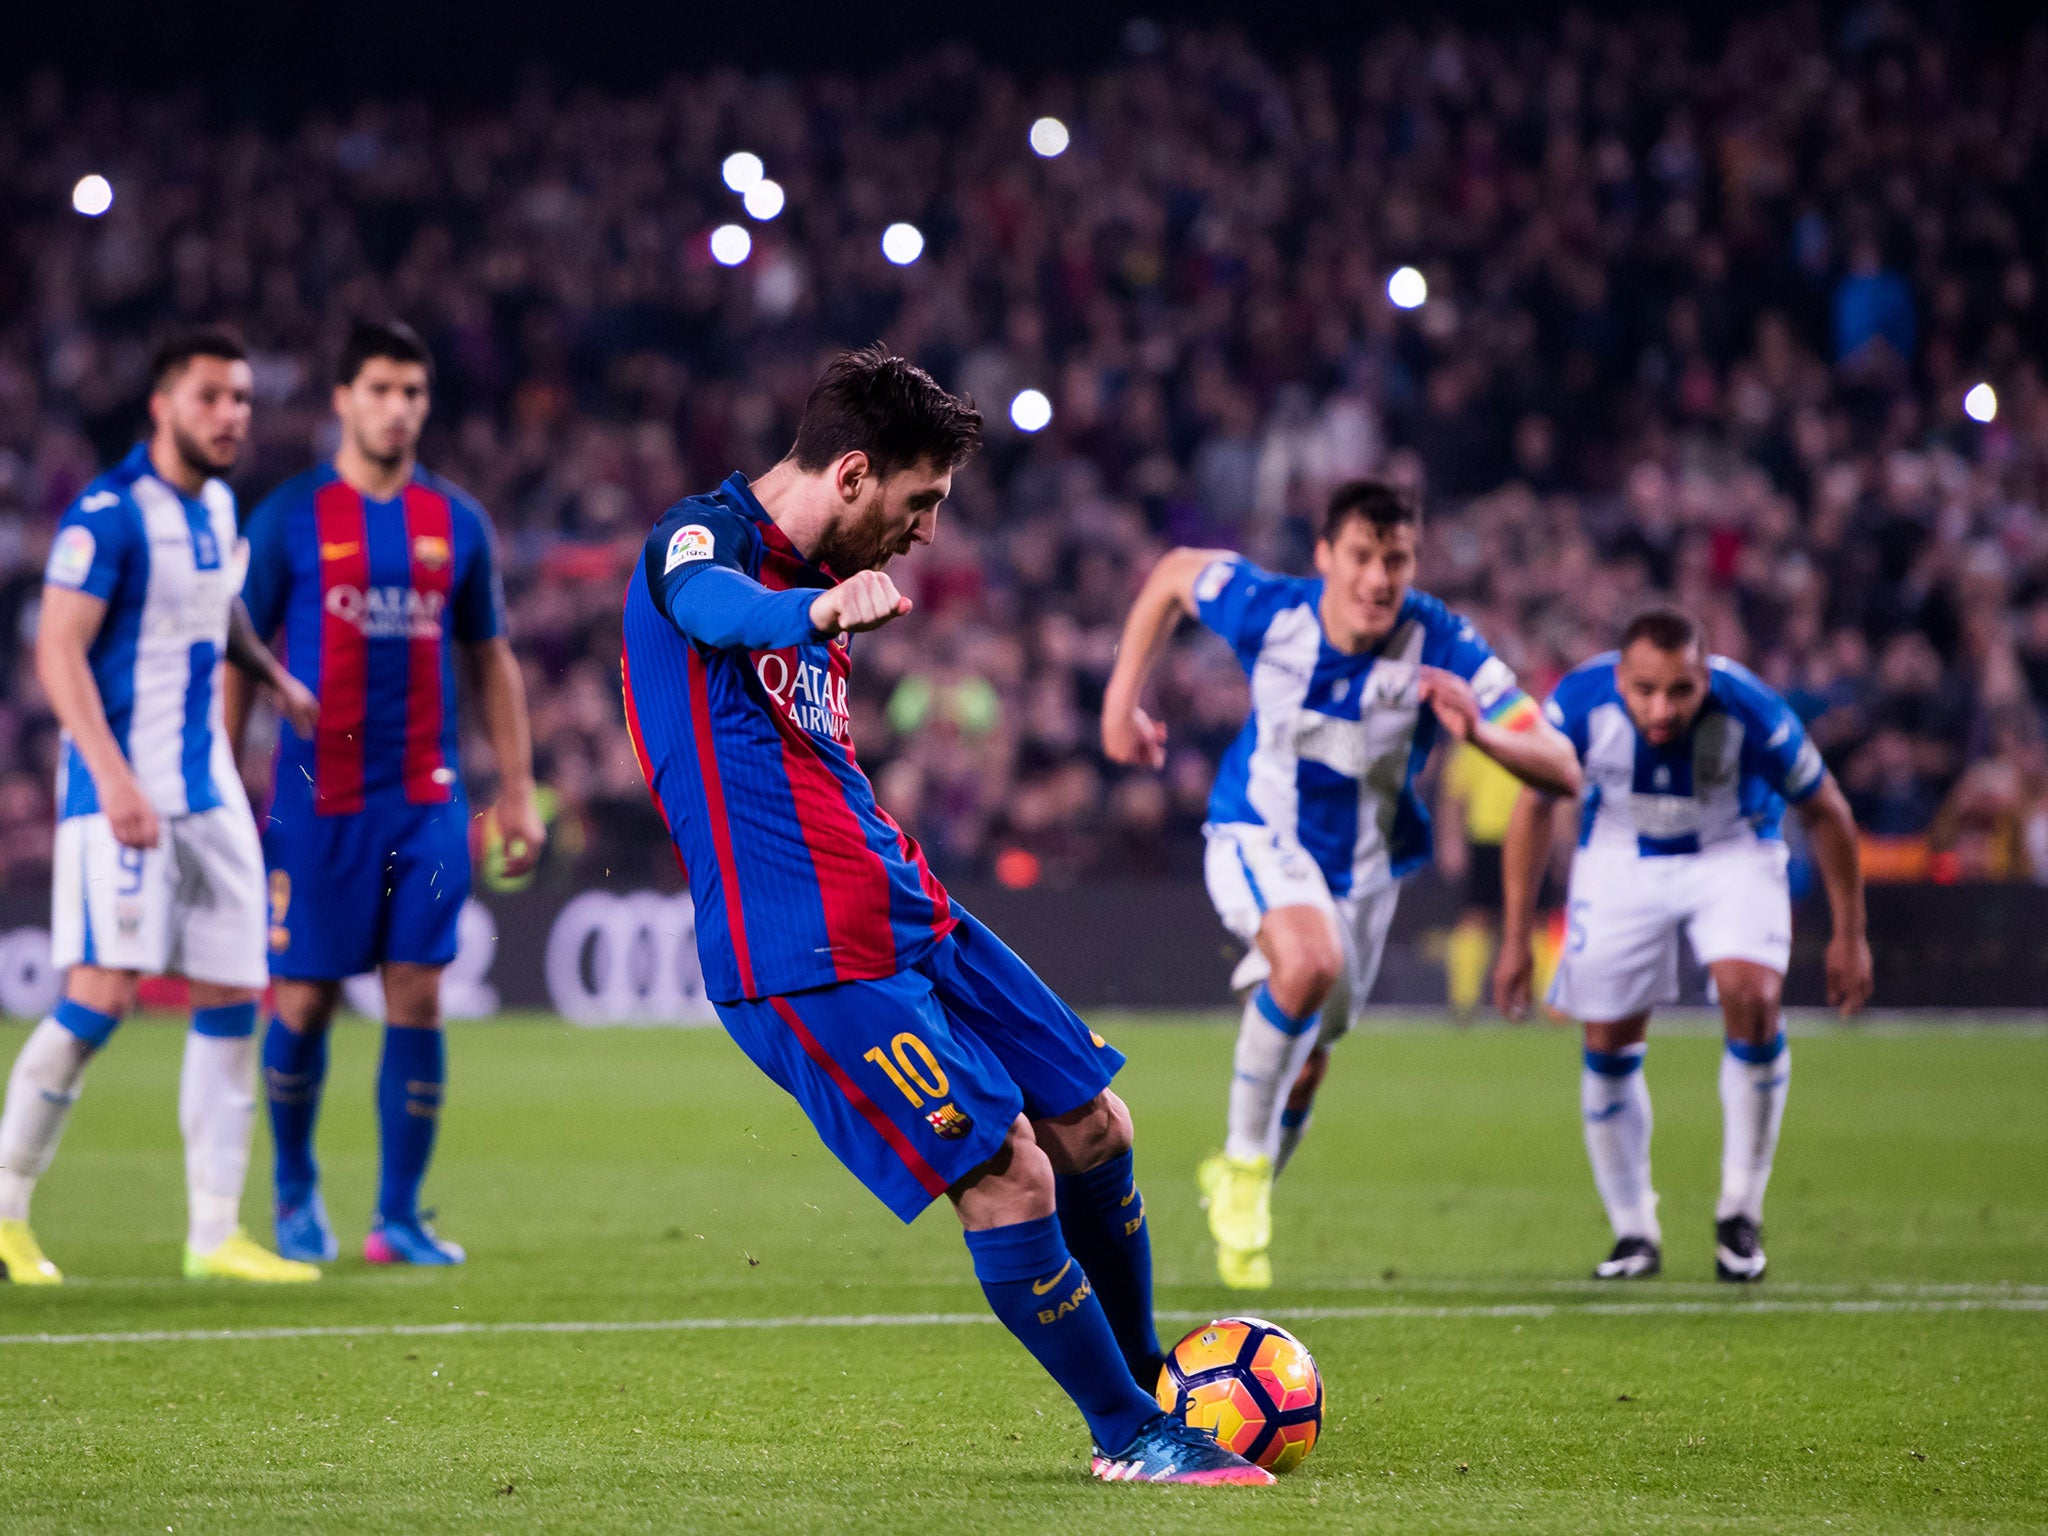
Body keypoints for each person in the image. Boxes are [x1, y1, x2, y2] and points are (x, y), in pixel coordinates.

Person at [621, 346, 1271, 1486]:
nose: (925, 533)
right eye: (918, 504)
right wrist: (812, 607)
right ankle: (1127, 1434)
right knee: (1008, 1173)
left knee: (1093, 1127)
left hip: (906, 904)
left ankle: (1149, 1384)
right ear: (855, 473)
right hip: (803, 954)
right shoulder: (703, 538)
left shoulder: (826, 580)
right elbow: (704, 604)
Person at [1101, 480, 1583, 1289]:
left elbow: (1562, 767)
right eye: (1361, 556)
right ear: (1326, 556)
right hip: (1256, 831)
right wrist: (1122, 704)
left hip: (1364, 878)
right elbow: (1176, 573)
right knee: (1308, 960)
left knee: (1313, 1054)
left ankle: (1242, 1176)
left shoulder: (1445, 644)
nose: (1377, 579)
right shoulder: (1273, 609)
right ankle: (1245, 1166)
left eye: (1395, 560)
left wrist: (1482, 735)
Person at [0, 327, 320, 1286]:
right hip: (120, 790)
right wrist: (115, 777)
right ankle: (6, 1208)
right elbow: (57, 652)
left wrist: (268, 676)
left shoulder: (220, 507)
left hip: (209, 788)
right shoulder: (106, 514)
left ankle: (214, 1234)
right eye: (213, 397)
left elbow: (213, 612)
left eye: (243, 400)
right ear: (163, 403)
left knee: (232, 995)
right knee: (101, 994)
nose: (232, 416)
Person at [232, 320, 543, 1267]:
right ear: (343, 399)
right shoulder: (288, 516)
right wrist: (216, 773)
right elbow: (238, 655)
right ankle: (293, 1193)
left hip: (427, 798)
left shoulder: (458, 523)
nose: (399, 408)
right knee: (309, 1000)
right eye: (380, 389)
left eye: (413, 391)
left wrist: (519, 791)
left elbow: (491, 658)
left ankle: (398, 1218)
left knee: (418, 996)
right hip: (317, 802)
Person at [1494, 608, 1873, 1282]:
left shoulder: (1752, 708)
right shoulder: (1579, 703)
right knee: (1608, 1035)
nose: (1661, 707)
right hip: (1618, 853)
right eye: (1644, 690)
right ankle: (1633, 1230)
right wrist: (1517, 937)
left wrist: (1851, 935)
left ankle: (1740, 1213)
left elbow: (1827, 810)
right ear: (1619, 678)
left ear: (1707, 677)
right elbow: (1533, 806)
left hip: (1732, 851)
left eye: (1680, 690)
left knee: (1752, 997)